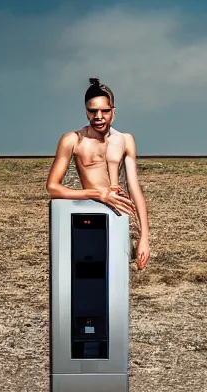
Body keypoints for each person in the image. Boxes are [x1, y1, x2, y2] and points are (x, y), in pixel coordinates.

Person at [46, 77, 150, 270]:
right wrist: (98, 194)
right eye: (92, 111)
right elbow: (53, 187)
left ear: (113, 111)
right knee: (89, 271)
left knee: (120, 278)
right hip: (91, 213)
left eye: (105, 111)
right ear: (86, 112)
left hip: (121, 215)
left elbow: (135, 189)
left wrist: (144, 236)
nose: (99, 116)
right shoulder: (73, 140)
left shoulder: (125, 140)